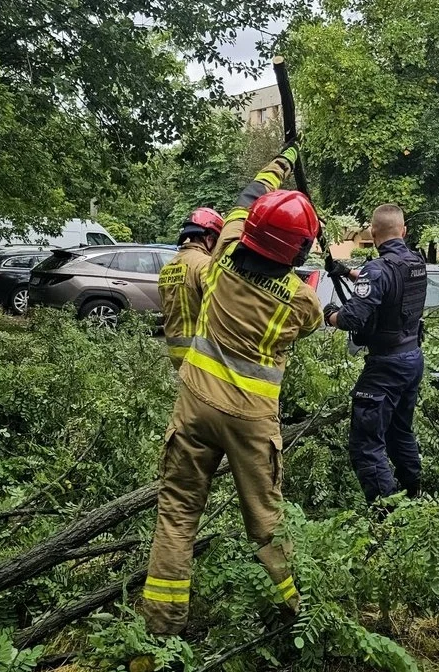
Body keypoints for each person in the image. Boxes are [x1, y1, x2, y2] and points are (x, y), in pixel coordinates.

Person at [142, 142, 323, 636]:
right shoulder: (302, 303)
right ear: (299, 250)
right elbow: (310, 311)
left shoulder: (219, 259)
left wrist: (283, 161)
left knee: (177, 513)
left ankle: (161, 629)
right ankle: (298, 619)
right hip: (250, 423)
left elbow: (248, 195)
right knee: (267, 525)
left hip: (195, 406)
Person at [323, 204, 427, 503]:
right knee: (400, 433)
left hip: (386, 366)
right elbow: (389, 284)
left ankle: (387, 517)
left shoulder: (378, 270)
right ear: (403, 231)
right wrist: (350, 272)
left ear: (372, 233)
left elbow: (351, 319)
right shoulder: (417, 262)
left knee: (366, 444)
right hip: (412, 359)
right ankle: (414, 495)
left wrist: (329, 314)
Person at [158, 208, 224, 370]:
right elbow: (219, 307)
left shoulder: (167, 267)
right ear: (209, 239)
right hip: (200, 351)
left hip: (175, 350)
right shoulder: (205, 265)